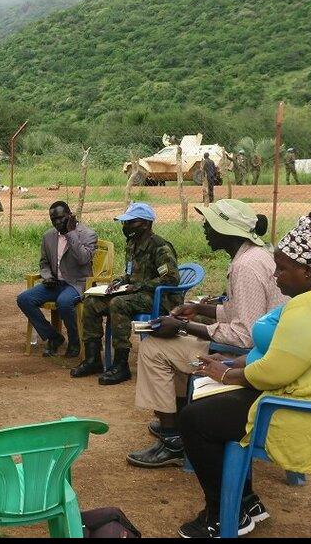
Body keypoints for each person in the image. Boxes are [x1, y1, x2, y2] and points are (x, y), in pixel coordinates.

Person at [177, 211, 311, 537]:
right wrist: (234, 365)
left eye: (282, 269)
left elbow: (274, 372)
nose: (275, 276)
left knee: (194, 419)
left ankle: (225, 515)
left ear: (307, 270)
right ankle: (246, 501)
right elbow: (282, 356)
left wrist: (225, 375)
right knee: (212, 407)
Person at [125, 200, 287, 468]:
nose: (205, 229)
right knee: (174, 344)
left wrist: (183, 326)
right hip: (263, 346)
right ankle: (179, 421)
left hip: (249, 354)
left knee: (154, 348)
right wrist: (199, 309)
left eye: (209, 224)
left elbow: (245, 335)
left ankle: (172, 441)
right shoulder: (254, 256)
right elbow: (242, 312)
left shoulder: (246, 267)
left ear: (225, 230)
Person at [70, 201, 178, 385]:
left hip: (158, 298)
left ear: (146, 224)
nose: (126, 226)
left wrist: (137, 286)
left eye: (131, 222)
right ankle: (93, 359)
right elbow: (130, 274)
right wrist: (120, 281)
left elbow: (171, 279)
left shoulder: (160, 247)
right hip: (134, 294)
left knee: (118, 303)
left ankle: (121, 365)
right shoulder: (132, 244)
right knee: (91, 302)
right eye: (125, 222)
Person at [16, 201, 97, 358]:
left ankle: (74, 340)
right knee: (24, 299)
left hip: (77, 283)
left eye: (61, 218)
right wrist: (47, 276)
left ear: (70, 216)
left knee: (64, 302)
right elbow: (44, 263)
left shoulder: (88, 234)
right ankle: (53, 337)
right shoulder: (48, 236)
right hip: (55, 284)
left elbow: (83, 259)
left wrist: (71, 233)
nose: (57, 222)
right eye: (53, 219)